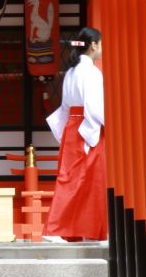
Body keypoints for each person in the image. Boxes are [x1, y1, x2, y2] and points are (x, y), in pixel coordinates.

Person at [44, 27, 107, 241]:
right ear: (94, 45)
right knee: (78, 180)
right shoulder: (90, 72)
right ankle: (55, 230)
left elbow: (65, 105)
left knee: (79, 178)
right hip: (85, 127)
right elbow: (95, 106)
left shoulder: (72, 71)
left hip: (74, 125)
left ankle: (81, 231)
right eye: (101, 44)